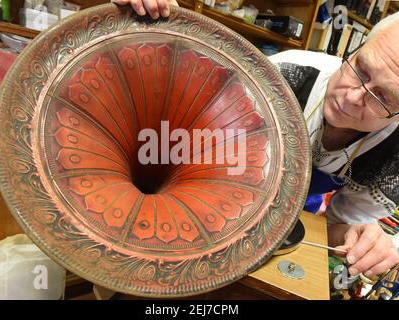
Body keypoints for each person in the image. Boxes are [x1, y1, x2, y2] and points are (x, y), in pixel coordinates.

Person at [112, 0, 399, 278]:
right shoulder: (280, 74)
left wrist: (356, 237)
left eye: (382, 97)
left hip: (298, 220)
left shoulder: (394, 163)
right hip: (217, 196)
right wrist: (167, 34)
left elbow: (336, 226)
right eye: (360, 69)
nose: (352, 97)